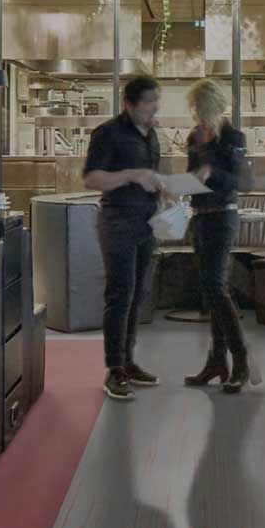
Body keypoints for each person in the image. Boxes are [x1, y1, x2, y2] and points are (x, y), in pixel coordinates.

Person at [83, 76, 165, 401]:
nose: (154, 107)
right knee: (120, 294)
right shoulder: (108, 133)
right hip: (117, 221)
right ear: (129, 103)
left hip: (147, 223)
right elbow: (92, 178)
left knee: (137, 295)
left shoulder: (151, 133)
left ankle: (128, 362)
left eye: (156, 100)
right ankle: (114, 370)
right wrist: (132, 175)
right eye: (148, 101)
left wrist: (162, 187)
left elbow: (149, 177)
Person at [182, 79, 250, 394]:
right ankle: (216, 362)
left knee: (215, 288)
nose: (196, 114)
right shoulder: (194, 138)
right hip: (200, 219)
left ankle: (241, 362)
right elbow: (193, 178)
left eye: (199, 108)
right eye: (194, 109)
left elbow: (239, 180)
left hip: (223, 218)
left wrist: (210, 171)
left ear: (213, 107)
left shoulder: (232, 138)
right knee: (211, 291)